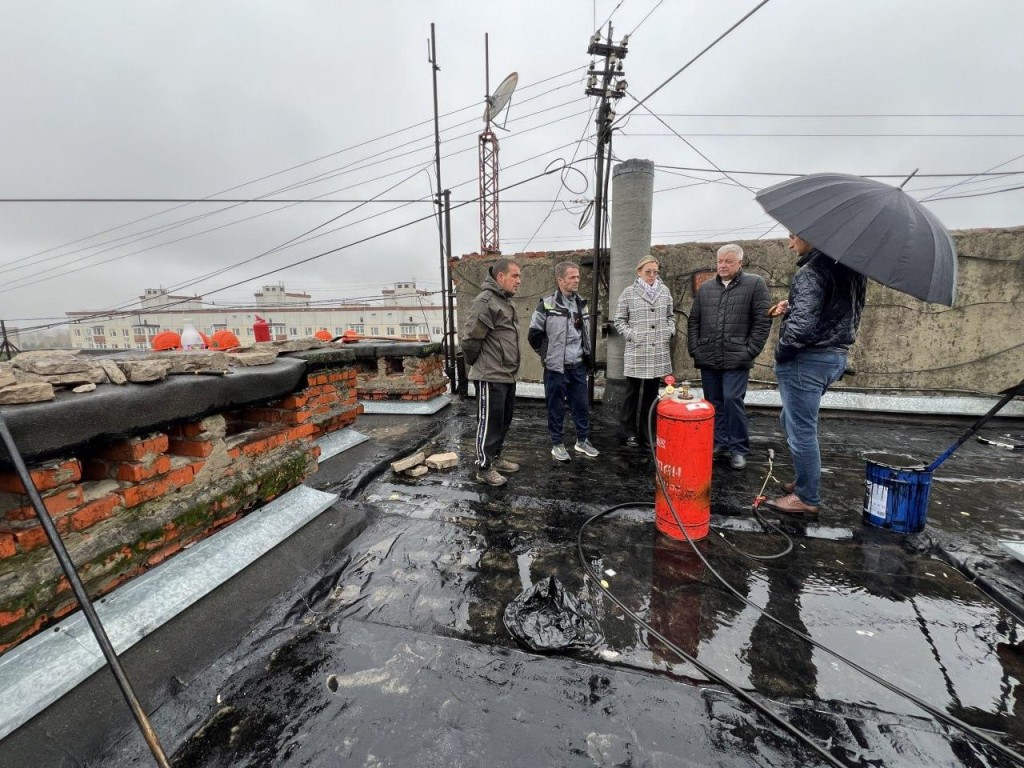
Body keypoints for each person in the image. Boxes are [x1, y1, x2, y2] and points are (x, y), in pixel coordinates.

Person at [766, 233, 866, 514]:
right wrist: (793, 306)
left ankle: (807, 498)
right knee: (791, 419)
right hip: (833, 356)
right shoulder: (850, 270)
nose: (790, 244)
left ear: (811, 235)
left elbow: (802, 327)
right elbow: (832, 313)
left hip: (807, 359)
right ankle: (803, 480)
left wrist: (782, 354)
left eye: (793, 236)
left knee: (801, 430)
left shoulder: (812, 271)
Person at [687, 244, 771, 470]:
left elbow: (762, 321)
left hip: (737, 357)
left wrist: (750, 350)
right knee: (713, 403)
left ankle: (738, 449)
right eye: (719, 261)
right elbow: (694, 320)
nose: (722, 265)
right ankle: (719, 442)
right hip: (708, 355)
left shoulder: (755, 284)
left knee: (732, 400)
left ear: (740, 263)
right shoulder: (705, 289)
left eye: (728, 261)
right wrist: (695, 348)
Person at [528, 261, 599, 462]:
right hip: (555, 368)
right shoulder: (547, 304)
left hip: (578, 366)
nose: (577, 280)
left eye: (578, 276)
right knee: (555, 407)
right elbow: (534, 334)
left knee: (581, 405)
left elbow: (584, 333)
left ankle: (582, 440)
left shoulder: (581, 303)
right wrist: (547, 355)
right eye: (572, 277)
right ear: (560, 280)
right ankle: (557, 444)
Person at [462, 258, 523, 487]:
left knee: (503, 421)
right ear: (500, 277)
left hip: (507, 374)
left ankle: (496, 457)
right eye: (515, 276)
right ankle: (483, 467)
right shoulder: (486, 301)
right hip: (490, 374)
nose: (519, 281)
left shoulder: (505, 301)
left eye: (519, 276)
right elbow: (470, 339)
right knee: (489, 423)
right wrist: (478, 365)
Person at [614, 255, 675, 449]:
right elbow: (619, 320)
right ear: (639, 271)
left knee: (651, 394)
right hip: (637, 349)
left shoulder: (664, 291)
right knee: (631, 393)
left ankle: (648, 432)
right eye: (648, 272)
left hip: (658, 350)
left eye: (655, 272)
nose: (651, 275)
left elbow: (671, 316)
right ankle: (628, 432)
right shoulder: (628, 292)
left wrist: (669, 331)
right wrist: (633, 335)